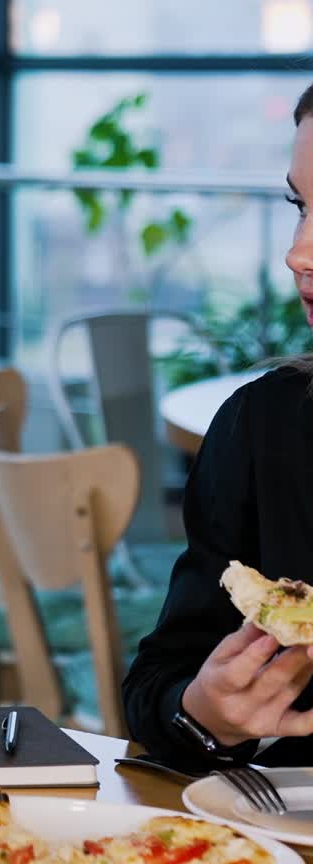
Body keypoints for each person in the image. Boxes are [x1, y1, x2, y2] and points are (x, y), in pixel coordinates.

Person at [124, 79, 313, 767]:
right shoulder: (263, 431)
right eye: (300, 207)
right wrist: (206, 715)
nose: (299, 252)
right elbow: (157, 689)